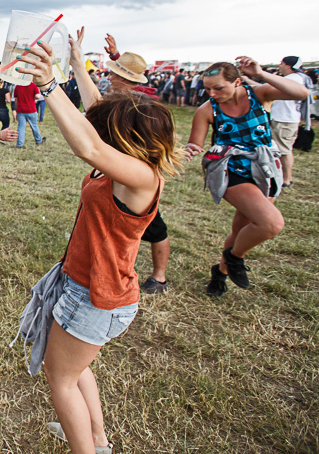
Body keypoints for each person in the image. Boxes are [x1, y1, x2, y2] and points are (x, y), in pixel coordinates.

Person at [19, 41, 179, 454]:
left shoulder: (139, 177)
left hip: (97, 297)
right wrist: (75, 63)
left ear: (127, 136)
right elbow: (95, 115)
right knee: (75, 369)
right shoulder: (123, 158)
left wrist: (50, 84)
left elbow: (87, 144)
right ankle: (98, 439)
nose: (101, 124)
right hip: (84, 288)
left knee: (62, 378)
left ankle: (86, 447)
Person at [185, 59, 308, 297]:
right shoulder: (207, 109)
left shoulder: (259, 94)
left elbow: (301, 93)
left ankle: (220, 274)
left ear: (237, 81)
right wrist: (190, 150)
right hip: (230, 171)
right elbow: (195, 143)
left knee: (242, 228)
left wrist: (261, 73)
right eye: (207, 88)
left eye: (218, 88)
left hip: (264, 170)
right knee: (271, 223)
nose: (212, 94)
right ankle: (234, 257)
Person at [79, 30, 174, 295]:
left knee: (155, 228)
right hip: (119, 172)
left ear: (125, 79)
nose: (108, 77)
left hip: (134, 176)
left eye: (114, 73)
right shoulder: (125, 96)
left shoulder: (139, 104)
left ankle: (159, 276)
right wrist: (114, 55)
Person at [270, 56, 312, 188]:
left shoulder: (292, 79)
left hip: (284, 119)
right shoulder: (296, 79)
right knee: (283, 149)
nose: (279, 66)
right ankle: (283, 177)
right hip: (286, 118)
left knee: (284, 150)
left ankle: (286, 179)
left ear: (288, 66)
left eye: (281, 63)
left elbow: (268, 88)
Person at [14, 81, 45, 147]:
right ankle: (38, 140)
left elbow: (16, 99)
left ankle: (20, 144)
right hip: (31, 109)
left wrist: (17, 108)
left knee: (21, 127)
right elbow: (38, 96)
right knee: (34, 126)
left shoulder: (18, 86)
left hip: (21, 110)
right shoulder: (33, 85)